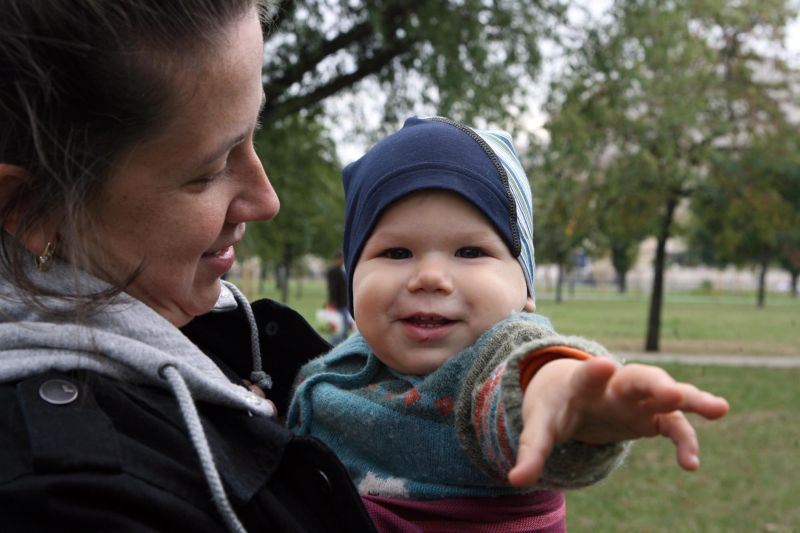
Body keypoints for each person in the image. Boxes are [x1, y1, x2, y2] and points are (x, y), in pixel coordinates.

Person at [0, 1, 381, 531]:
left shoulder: (229, 333)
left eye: (255, 133)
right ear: (31, 207)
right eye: (209, 171)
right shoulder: (72, 501)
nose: (266, 200)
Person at [287, 117, 730, 532]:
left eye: (470, 252)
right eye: (397, 252)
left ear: (525, 288)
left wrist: (567, 400)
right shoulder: (341, 364)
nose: (430, 278)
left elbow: (522, 379)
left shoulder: (492, 359)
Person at [325, 249, 352, 345]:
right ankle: (330, 343)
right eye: (341, 259)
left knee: (343, 327)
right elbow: (332, 287)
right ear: (337, 259)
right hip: (338, 303)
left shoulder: (341, 271)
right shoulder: (333, 271)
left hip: (344, 302)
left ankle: (341, 343)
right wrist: (332, 302)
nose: (342, 261)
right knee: (341, 328)